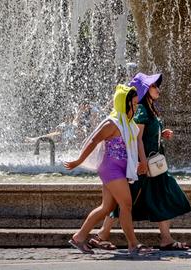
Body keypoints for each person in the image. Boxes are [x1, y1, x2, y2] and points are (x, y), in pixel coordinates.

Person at [91, 72, 191, 251]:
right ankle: (101, 235)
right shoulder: (142, 110)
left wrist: (162, 133)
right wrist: (142, 162)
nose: (157, 89)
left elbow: (145, 134)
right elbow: (137, 137)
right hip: (143, 165)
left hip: (153, 164)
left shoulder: (149, 107)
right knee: (123, 199)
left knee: (160, 193)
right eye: (153, 86)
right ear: (145, 89)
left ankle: (166, 238)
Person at [63, 84, 151, 254]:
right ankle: (133, 244)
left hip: (119, 169)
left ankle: (78, 238)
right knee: (126, 204)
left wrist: (142, 161)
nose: (134, 108)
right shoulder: (113, 123)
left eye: (135, 104)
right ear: (122, 104)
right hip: (111, 169)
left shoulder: (128, 123)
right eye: (131, 104)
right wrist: (78, 161)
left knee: (107, 207)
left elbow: (137, 141)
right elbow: (93, 141)